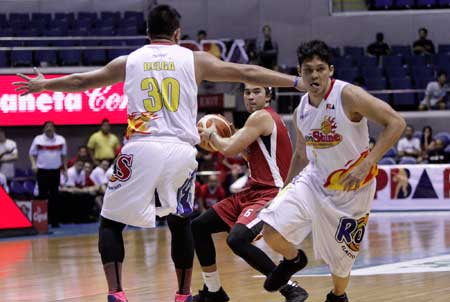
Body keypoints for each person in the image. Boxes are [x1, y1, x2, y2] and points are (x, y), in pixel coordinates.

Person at [13, 5, 305, 302]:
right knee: (181, 223)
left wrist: (43, 85)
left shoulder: (130, 60)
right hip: (181, 151)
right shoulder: (194, 59)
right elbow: (246, 71)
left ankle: (116, 294)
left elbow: (80, 81)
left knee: (111, 222)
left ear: (147, 33)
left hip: (142, 146)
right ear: (178, 33)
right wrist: (295, 82)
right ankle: (182, 295)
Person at [258, 40, 405, 302]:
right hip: (313, 182)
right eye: (308, 70)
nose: (314, 75)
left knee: (341, 267)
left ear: (331, 70)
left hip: (352, 190)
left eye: (320, 69)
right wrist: (283, 191)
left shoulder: (348, 95)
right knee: (270, 228)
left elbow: (396, 122)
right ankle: (293, 260)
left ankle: (338, 297)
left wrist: (368, 162)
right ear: (300, 73)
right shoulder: (300, 109)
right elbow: (301, 154)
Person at [193, 84, 306, 302]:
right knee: (198, 227)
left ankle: (291, 288)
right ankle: (213, 290)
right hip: (252, 191)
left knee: (237, 239)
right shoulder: (259, 121)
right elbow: (247, 154)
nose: (251, 97)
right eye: (247, 93)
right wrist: (226, 139)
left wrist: (212, 136)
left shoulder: (261, 117)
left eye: (257, 92)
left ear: (269, 95)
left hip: (270, 193)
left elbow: (228, 149)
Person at [29, 121, 67, 228]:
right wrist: (33, 165)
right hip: (42, 171)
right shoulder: (38, 139)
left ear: (54, 129)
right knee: (42, 196)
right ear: (44, 129)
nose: (49, 129)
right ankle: (42, 222)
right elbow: (32, 154)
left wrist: (65, 169)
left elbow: (64, 156)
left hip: (55, 171)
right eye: (47, 127)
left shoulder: (61, 140)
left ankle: (55, 221)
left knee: (55, 196)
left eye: (51, 127)